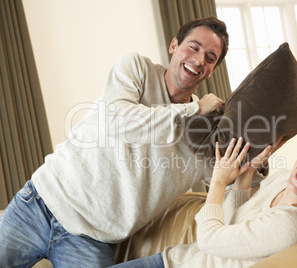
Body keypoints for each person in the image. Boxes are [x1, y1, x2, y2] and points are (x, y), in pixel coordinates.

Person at [0, 17, 240, 267]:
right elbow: (119, 122)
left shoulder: (202, 131)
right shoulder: (137, 68)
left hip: (90, 241)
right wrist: (194, 108)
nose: (199, 59)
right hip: (38, 204)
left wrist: (262, 156)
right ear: (174, 45)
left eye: (210, 58)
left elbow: (230, 174)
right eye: (194, 47)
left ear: (213, 70)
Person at [111, 133, 297, 268]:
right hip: (174, 258)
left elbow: (211, 239)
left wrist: (220, 181)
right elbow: (230, 218)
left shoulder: (294, 225)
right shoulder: (283, 179)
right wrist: (244, 176)